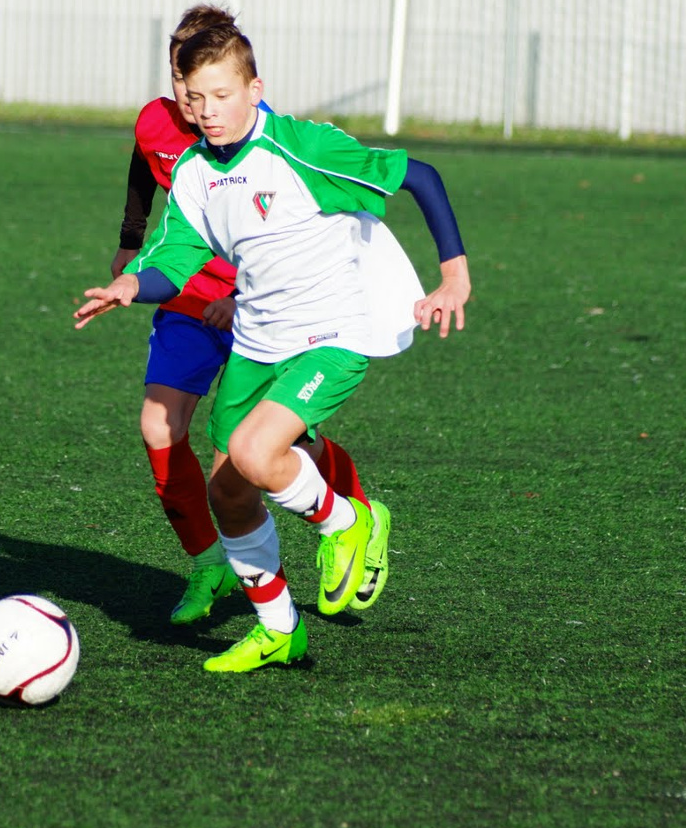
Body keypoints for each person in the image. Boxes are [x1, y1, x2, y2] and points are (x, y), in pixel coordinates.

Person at [76, 24, 470, 672]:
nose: (208, 111)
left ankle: (351, 523)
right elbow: (175, 259)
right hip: (258, 340)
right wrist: (131, 284)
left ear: (255, 90)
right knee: (228, 490)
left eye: (222, 95)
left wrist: (453, 276)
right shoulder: (196, 172)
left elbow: (418, 176)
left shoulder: (302, 147)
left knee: (257, 453)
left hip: (332, 336)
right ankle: (280, 628)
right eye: (196, 98)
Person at [107, 5, 384, 627]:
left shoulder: (250, 127)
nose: (193, 99)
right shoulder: (158, 121)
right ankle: (210, 564)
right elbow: (145, 170)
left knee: (262, 453)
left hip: (257, 304)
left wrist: (242, 296)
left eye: (203, 85)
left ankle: (355, 516)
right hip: (184, 294)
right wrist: (129, 248)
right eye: (180, 79)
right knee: (159, 426)